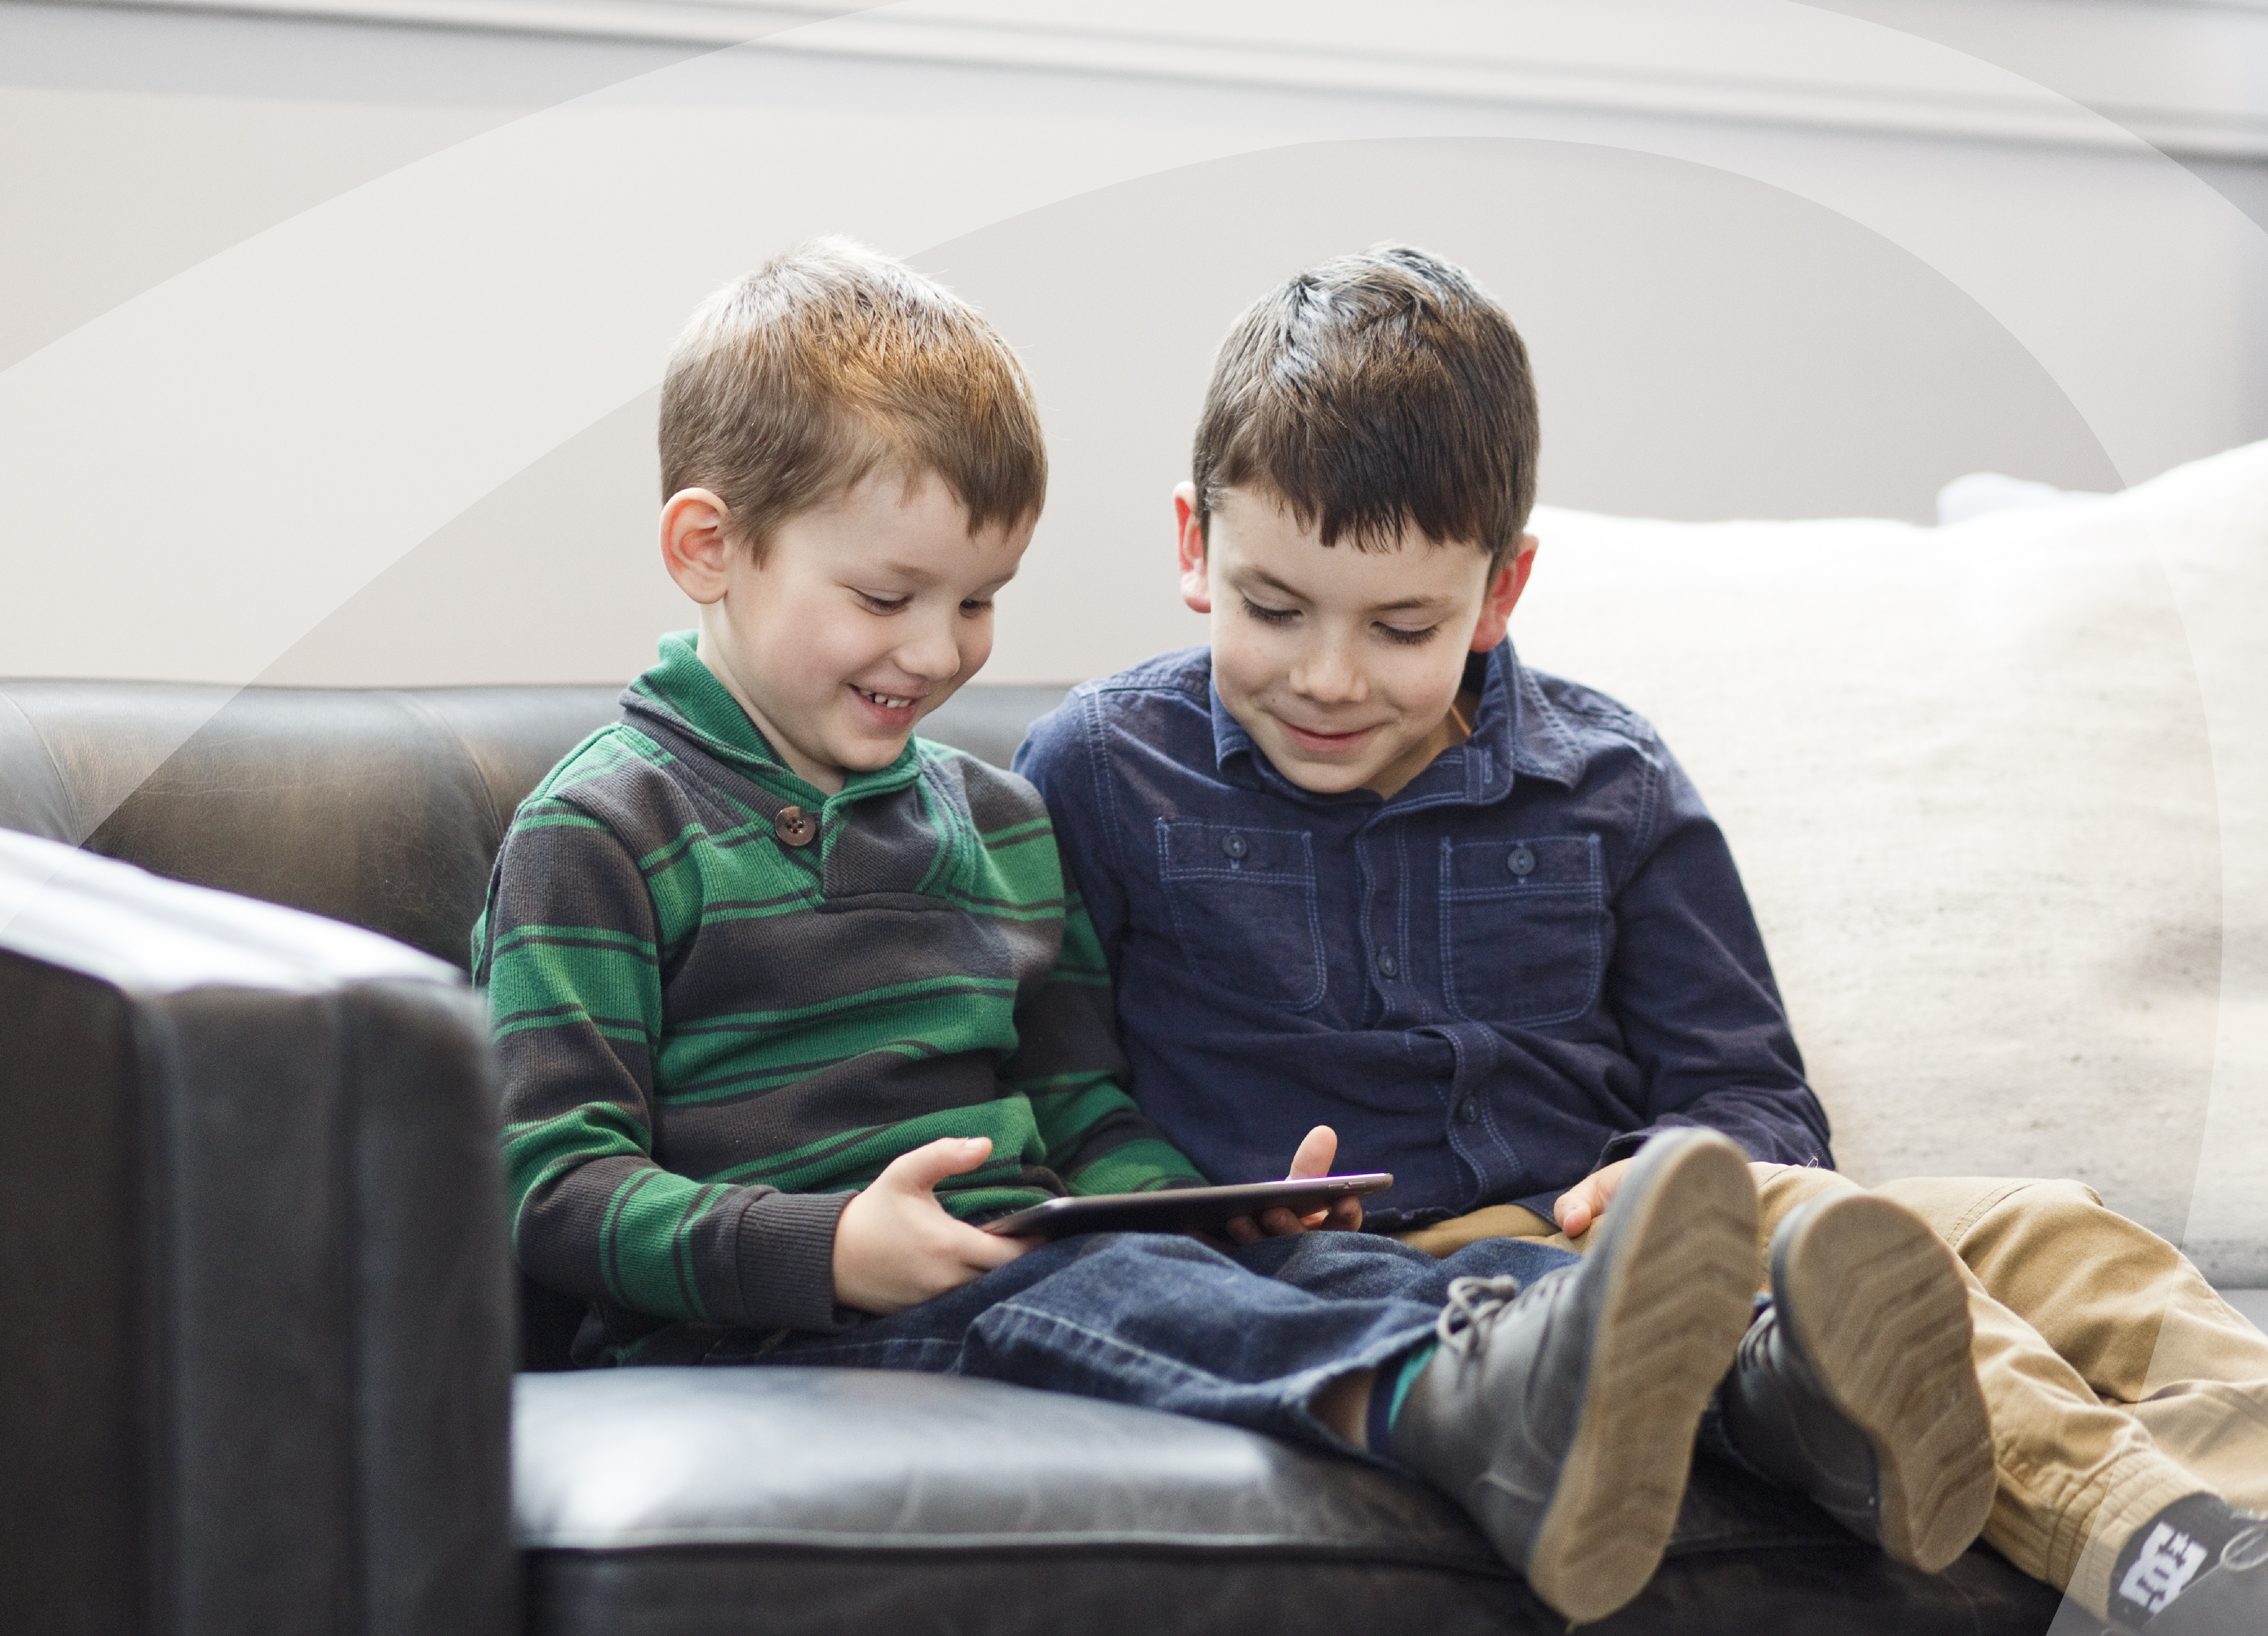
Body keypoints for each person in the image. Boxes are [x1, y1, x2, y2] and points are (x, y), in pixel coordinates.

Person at [472, 238, 1979, 1625]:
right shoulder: (606, 833)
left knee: (1346, 1277)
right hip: (769, 1325)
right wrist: (828, 1248)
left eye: (980, 604)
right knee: (1100, 1290)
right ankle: (1456, 1420)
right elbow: (545, 1184)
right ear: (708, 546)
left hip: (1025, 1251)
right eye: (887, 596)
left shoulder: (994, 824)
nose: (936, 654)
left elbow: (1082, 1106)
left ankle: (1762, 1389)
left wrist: (1213, 1208)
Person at [1011, 243, 2268, 1635]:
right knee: (1808, 1246)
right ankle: (2170, 1554)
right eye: (1276, 610)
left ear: (1501, 593)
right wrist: (1211, 1205)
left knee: (2063, 1236)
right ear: (1198, 545)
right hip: (1427, 1286)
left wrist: (1665, 1164)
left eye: (1401, 627)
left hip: (1649, 1226)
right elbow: (1057, 1102)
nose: (1328, 678)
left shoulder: (1609, 780)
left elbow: (1755, 1089)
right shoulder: (1097, 768)